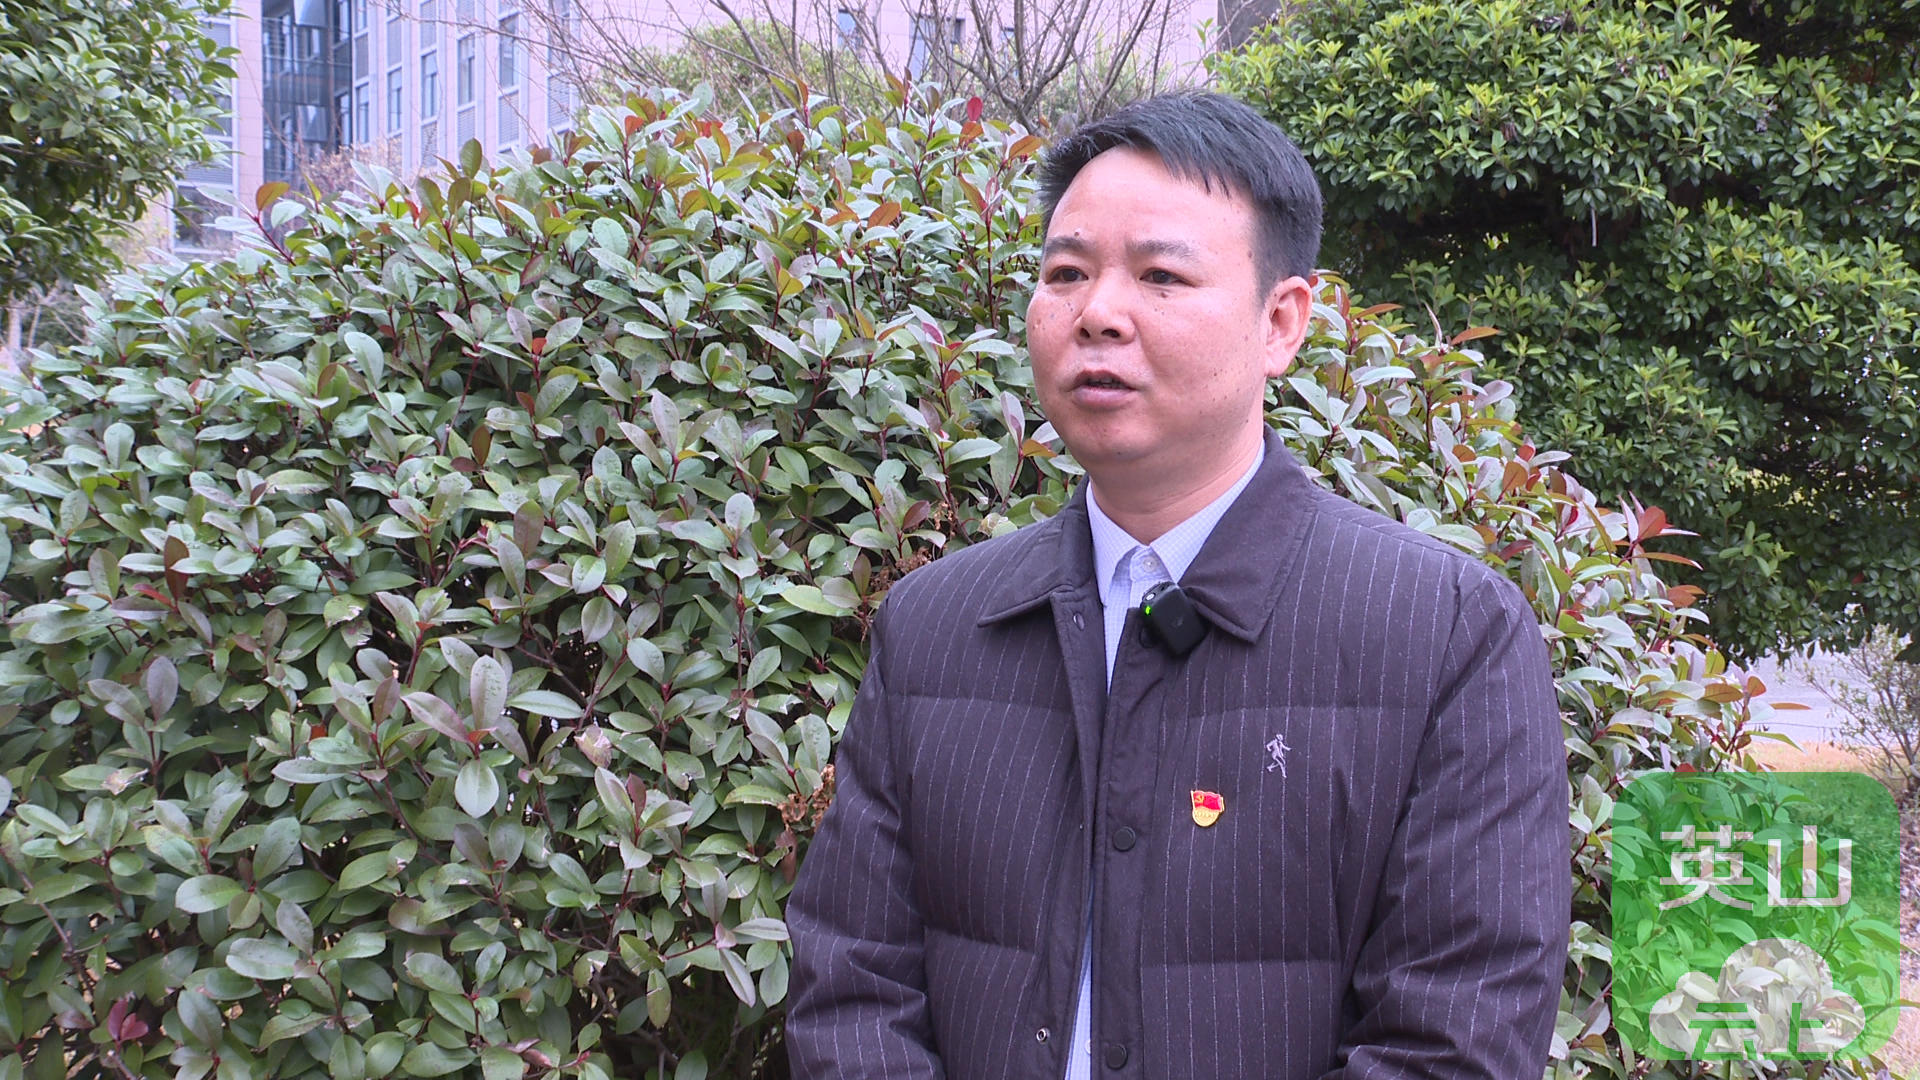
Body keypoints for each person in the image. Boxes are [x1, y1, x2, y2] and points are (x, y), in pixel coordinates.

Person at [785, 91, 1568, 1080]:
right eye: (1066, 273)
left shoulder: (1444, 635)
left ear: (1281, 322)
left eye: (1161, 276)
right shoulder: (937, 627)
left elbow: (1456, 1039)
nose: (1098, 314)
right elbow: (851, 989)